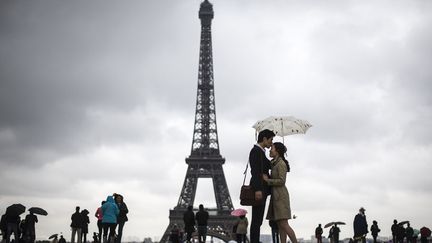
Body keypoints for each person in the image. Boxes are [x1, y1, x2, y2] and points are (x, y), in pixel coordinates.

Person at [263, 142, 297, 243]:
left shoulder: (280, 164)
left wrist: (267, 180)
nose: (270, 150)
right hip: (277, 197)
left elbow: (282, 181)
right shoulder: (275, 163)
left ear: (277, 151)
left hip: (280, 197)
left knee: (284, 225)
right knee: (281, 225)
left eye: (272, 148)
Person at [249, 129, 275, 243]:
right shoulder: (256, 151)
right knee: (256, 219)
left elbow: (267, 165)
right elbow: (255, 172)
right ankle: (254, 241)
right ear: (264, 139)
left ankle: (255, 240)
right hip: (259, 189)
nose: (271, 142)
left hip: (262, 188)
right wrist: (258, 190)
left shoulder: (260, 152)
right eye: (271, 139)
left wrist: (279, 154)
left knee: (258, 220)